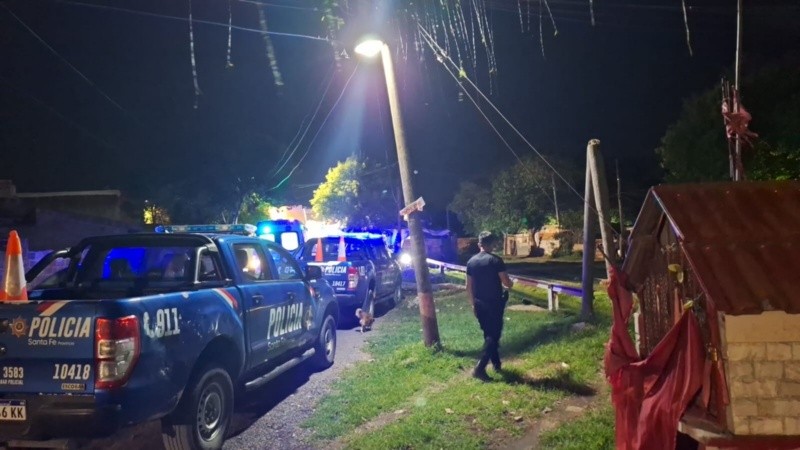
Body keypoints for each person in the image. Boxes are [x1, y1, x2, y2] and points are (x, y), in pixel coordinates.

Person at [466, 231, 514, 381]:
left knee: (488, 333)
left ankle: (496, 363)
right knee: (494, 335)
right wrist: (510, 284)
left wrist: (473, 305)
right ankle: (480, 368)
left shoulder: (471, 262)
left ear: (479, 244)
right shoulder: (495, 260)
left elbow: (468, 286)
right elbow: (506, 282)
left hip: (479, 303)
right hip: (494, 304)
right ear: (492, 244)